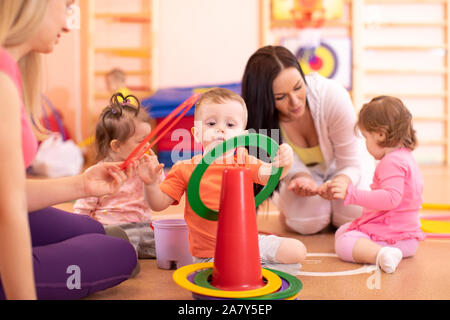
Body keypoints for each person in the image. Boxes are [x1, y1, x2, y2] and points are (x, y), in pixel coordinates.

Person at [0, 0, 137, 300]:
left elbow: (6, 191)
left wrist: (82, 184)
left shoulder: (9, 72)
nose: (67, 23)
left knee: (95, 230)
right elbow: (8, 212)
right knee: (119, 252)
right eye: (66, 6)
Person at [139, 88, 307, 272]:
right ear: (196, 133)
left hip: (247, 243)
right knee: (232, 272)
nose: (220, 129)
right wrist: (150, 184)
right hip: (209, 256)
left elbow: (273, 173)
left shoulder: (245, 161)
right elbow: (158, 204)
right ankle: (250, 270)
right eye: (211, 123)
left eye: (230, 125)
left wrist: (285, 161)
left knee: (297, 250)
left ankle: (250, 268)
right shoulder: (184, 168)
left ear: (243, 136)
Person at [241, 45, 374, 235]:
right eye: (280, 97)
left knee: (352, 215)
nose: (295, 102)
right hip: (304, 180)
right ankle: (315, 212)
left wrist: (343, 180)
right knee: (307, 222)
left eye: (298, 87)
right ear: (264, 100)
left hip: (349, 168)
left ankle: (333, 211)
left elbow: (350, 162)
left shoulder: (332, 96)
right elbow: (279, 164)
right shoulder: (260, 122)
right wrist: (299, 176)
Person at [332, 96, 425, 273]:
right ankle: (383, 251)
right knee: (342, 231)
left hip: (393, 236)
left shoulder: (391, 162)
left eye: (366, 136)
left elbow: (390, 199)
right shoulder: (405, 156)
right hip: (405, 238)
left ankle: (382, 254)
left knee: (344, 242)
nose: (365, 143)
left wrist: (352, 194)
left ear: (381, 134)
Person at [74, 93, 158, 260]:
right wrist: (82, 235)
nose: (148, 146)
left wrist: (152, 181)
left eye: (148, 140)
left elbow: (156, 203)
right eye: (141, 142)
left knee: (168, 240)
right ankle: (119, 258)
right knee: (123, 241)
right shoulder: (98, 174)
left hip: (144, 227)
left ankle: (125, 255)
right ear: (117, 146)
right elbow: (82, 211)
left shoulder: (146, 167)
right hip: (113, 228)